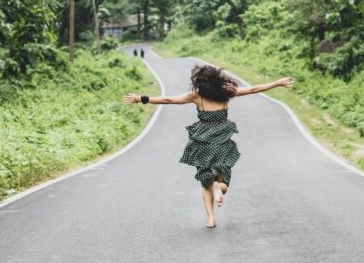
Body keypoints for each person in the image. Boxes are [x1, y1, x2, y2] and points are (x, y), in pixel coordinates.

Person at [123, 64, 293, 228]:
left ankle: (211, 219)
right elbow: (254, 89)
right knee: (223, 181)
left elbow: (168, 99)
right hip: (222, 141)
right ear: (218, 78)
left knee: (206, 184)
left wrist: (141, 98)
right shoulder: (227, 91)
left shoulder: (196, 96)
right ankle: (219, 186)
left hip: (202, 142)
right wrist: (278, 82)